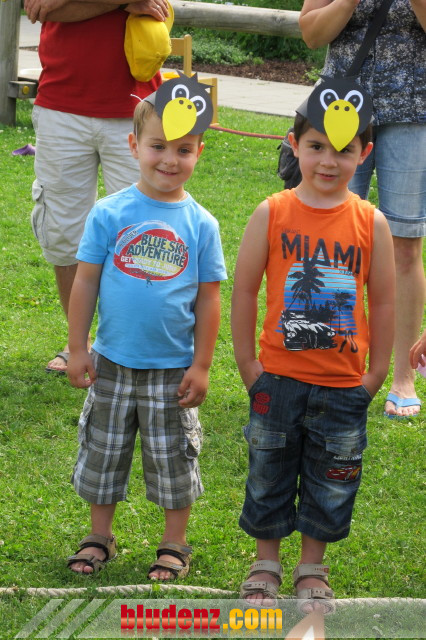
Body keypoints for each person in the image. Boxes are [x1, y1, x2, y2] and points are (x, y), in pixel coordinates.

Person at [231, 81, 395, 611]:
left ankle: (311, 567)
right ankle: (265, 563)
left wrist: (376, 374)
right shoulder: (272, 211)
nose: (328, 160)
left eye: (344, 149)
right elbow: (245, 289)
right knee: (269, 472)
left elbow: (384, 301)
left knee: (332, 480)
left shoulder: (372, 221)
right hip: (275, 380)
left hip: (344, 386)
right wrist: (248, 364)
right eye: (316, 146)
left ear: (364, 153)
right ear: (293, 145)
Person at [65, 77, 227, 577]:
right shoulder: (109, 213)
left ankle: (174, 543)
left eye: (183, 149)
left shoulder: (202, 224)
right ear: (134, 146)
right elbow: (85, 282)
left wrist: (202, 365)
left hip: (172, 369)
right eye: (158, 146)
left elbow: (209, 298)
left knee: (173, 459)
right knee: (103, 453)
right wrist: (77, 347)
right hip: (111, 362)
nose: (169, 160)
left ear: (199, 151)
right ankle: (99, 536)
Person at [25, 0, 169, 374]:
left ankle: (128, 344)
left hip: (136, 106)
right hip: (61, 105)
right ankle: (79, 343)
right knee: (64, 231)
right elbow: (42, 8)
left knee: (143, 234)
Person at [299, 0, 425, 419]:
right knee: (325, 237)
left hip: (414, 108)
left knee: (405, 243)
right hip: (339, 105)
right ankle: (320, 361)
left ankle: (403, 376)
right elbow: (312, 33)